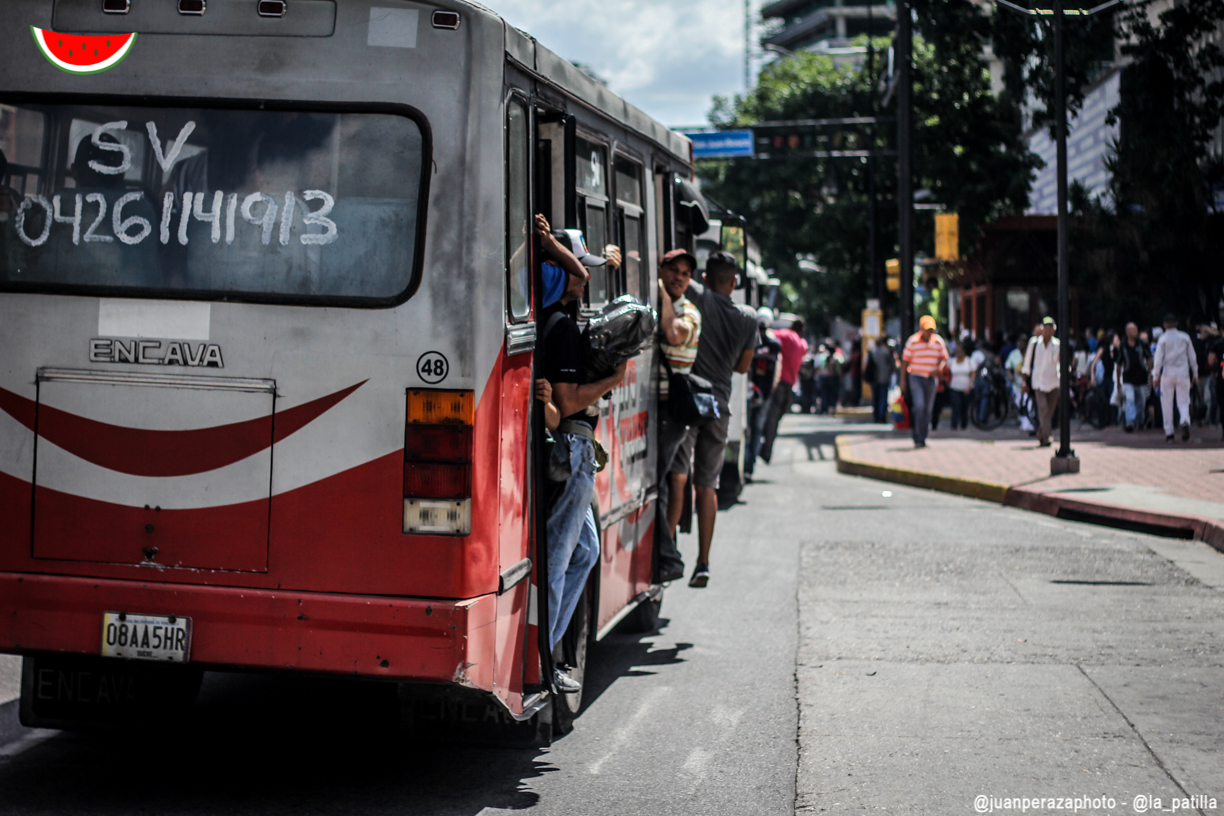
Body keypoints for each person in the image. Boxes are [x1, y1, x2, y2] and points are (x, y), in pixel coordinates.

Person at [535, 214, 628, 693]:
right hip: (572, 448)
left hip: (575, 448)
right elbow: (569, 401)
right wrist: (613, 381)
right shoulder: (561, 327)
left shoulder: (564, 319)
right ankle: (541, 661)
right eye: (580, 268)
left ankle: (544, 650)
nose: (586, 278)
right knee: (559, 553)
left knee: (585, 551)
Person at [678, 250, 757, 588]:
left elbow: (678, 282)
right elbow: (742, 367)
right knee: (707, 484)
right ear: (735, 282)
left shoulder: (699, 296)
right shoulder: (748, 317)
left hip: (688, 402)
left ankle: (668, 551)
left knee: (677, 475)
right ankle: (703, 561)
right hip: (719, 406)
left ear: (706, 279)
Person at [654, 247, 701, 583]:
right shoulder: (661, 303)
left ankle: (669, 557)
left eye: (685, 274)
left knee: (655, 484)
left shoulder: (689, 313)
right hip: (657, 409)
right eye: (673, 271)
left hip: (672, 414)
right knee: (662, 484)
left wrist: (659, 291)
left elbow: (673, 333)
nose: (679, 278)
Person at [760, 317, 808, 462]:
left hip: (779, 384)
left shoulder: (787, 336)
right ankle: (766, 449)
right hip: (790, 387)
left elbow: (768, 334)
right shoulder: (803, 344)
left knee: (770, 419)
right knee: (776, 421)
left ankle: (765, 450)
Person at [900, 315, 949, 448]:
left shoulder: (938, 341)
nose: (930, 332)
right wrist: (903, 380)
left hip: (931, 379)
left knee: (928, 409)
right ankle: (916, 434)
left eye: (932, 329)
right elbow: (905, 361)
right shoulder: (913, 341)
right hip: (916, 377)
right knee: (919, 405)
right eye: (927, 329)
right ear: (921, 329)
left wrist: (939, 369)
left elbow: (944, 358)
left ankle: (923, 436)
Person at [745, 308, 781, 481]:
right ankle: (747, 465)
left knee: (755, 429)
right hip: (752, 393)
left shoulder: (772, 345)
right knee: (752, 430)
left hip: (761, 394)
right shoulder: (761, 344)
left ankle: (749, 466)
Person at [1153, 313, 1198, 443]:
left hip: (1167, 374)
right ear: (1177, 324)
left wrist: (1155, 376)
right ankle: (1184, 421)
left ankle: (1169, 433)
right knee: (1183, 401)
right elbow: (1192, 357)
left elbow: (1158, 360)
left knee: (1166, 403)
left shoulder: (1162, 339)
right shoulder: (1185, 337)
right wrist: (1195, 373)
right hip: (1183, 373)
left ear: (1164, 325)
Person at [1022, 317, 1062, 447]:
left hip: (1054, 382)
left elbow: (1061, 363)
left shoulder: (1057, 345)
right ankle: (1048, 436)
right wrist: (1024, 381)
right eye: (1046, 327)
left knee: (1049, 411)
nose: (1048, 330)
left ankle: (1041, 434)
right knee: (1043, 409)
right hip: (1038, 382)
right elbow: (1027, 362)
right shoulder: (1034, 343)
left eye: (1050, 327)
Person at [1117, 322, 1153, 432]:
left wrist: (1150, 372)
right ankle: (1130, 422)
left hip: (1141, 377)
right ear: (1128, 332)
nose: (1136, 333)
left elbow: (1148, 358)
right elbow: (1118, 364)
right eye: (1133, 330)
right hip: (1128, 377)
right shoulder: (1123, 346)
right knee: (1130, 399)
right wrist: (1118, 380)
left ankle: (1140, 421)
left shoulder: (1142, 344)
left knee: (1141, 402)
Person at [866, 335, 897, 423]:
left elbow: (866, 362)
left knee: (875, 398)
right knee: (883, 397)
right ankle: (882, 414)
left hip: (874, 377)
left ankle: (876, 416)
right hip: (884, 377)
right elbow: (892, 364)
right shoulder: (886, 352)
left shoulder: (871, 352)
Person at [947, 343, 976, 430]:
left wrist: (969, 386)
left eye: (960, 351)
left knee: (964, 407)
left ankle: (964, 425)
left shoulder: (970, 361)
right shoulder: (951, 361)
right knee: (956, 406)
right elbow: (947, 373)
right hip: (954, 387)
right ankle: (954, 425)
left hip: (966, 388)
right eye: (957, 351)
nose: (958, 353)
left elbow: (973, 375)